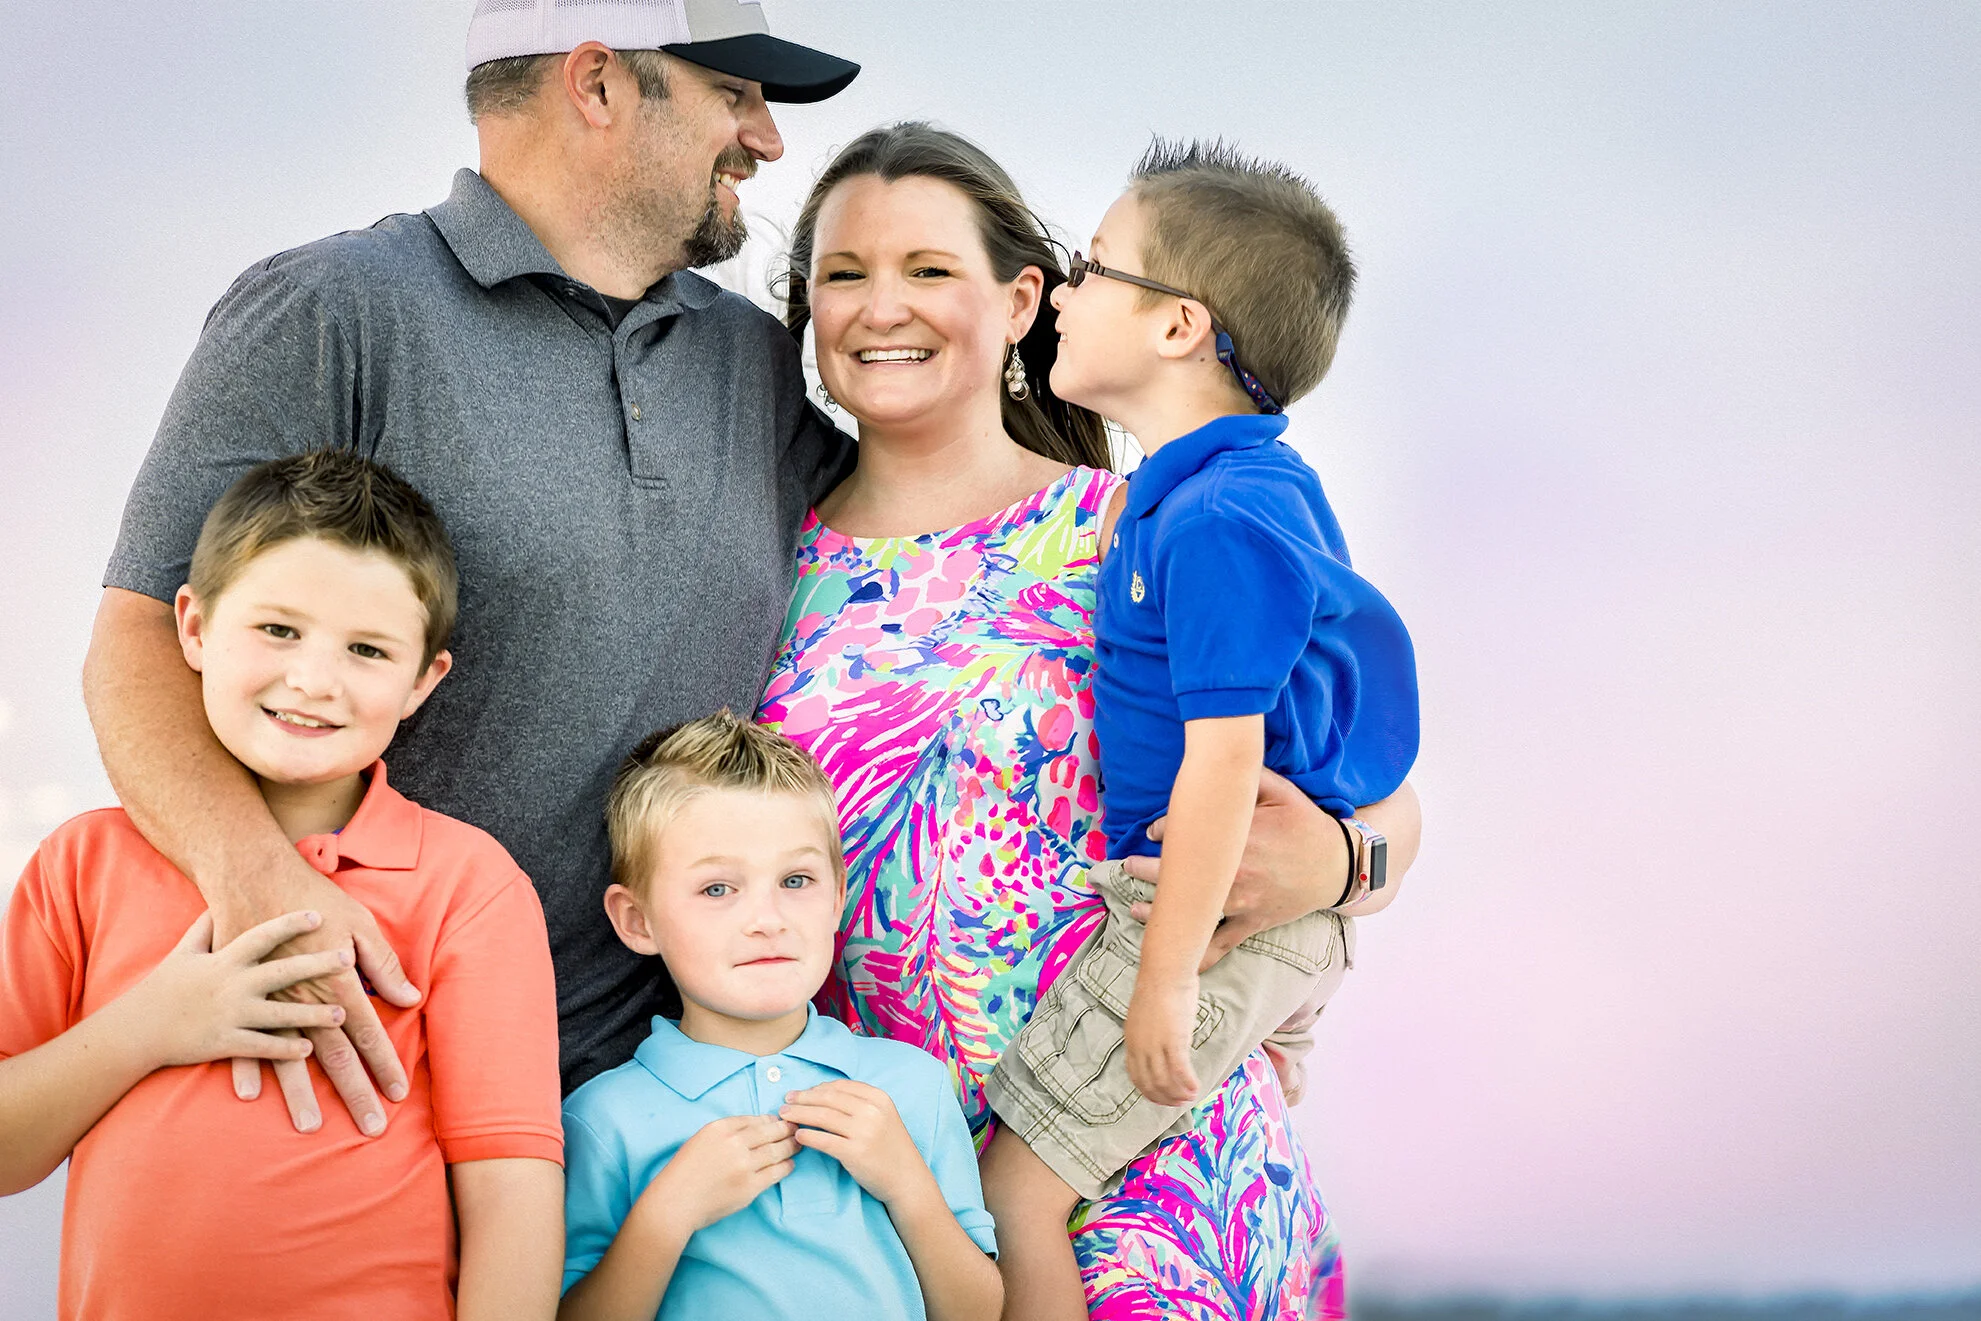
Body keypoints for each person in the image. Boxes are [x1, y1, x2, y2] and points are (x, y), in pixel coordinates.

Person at [81, 0, 861, 1140]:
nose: (766, 138)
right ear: (596, 85)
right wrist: (259, 880)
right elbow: (141, 634)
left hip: (653, 1115)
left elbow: (936, 530)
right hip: (362, 1078)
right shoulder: (332, 310)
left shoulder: (750, 362)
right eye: (733, 95)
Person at [757, 121, 1422, 1321]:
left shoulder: (1141, 526)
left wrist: (1338, 857)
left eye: (927, 270)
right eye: (843, 275)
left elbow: (1367, 774)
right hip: (893, 1188)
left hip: (1151, 1143)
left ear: (1021, 303)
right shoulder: (762, 565)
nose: (878, 307)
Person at [975, 138, 1420, 1319]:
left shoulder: (1217, 516)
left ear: (1178, 326)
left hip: (1199, 920)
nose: (1063, 291)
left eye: (1093, 264)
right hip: (1255, 931)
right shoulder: (1217, 490)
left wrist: (1164, 981)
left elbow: (1228, 760)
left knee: (1014, 1192)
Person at [0, 452, 565, 1319]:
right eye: (277, 629)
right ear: (192, 626)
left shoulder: (468, 885)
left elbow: (511, 1189)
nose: (313, 679)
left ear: (424, 679)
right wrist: (152, 1024)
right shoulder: (85, 863)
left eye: (368, 649)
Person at [559, 712, 1000, 1321]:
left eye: (796, 879)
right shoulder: (602, 1119)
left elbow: (977, 1311)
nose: (768, 918)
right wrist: (668, 1214)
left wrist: (908, 1187)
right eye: (718, 889)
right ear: (638, 921)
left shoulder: (910, 1085)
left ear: (839, 894)